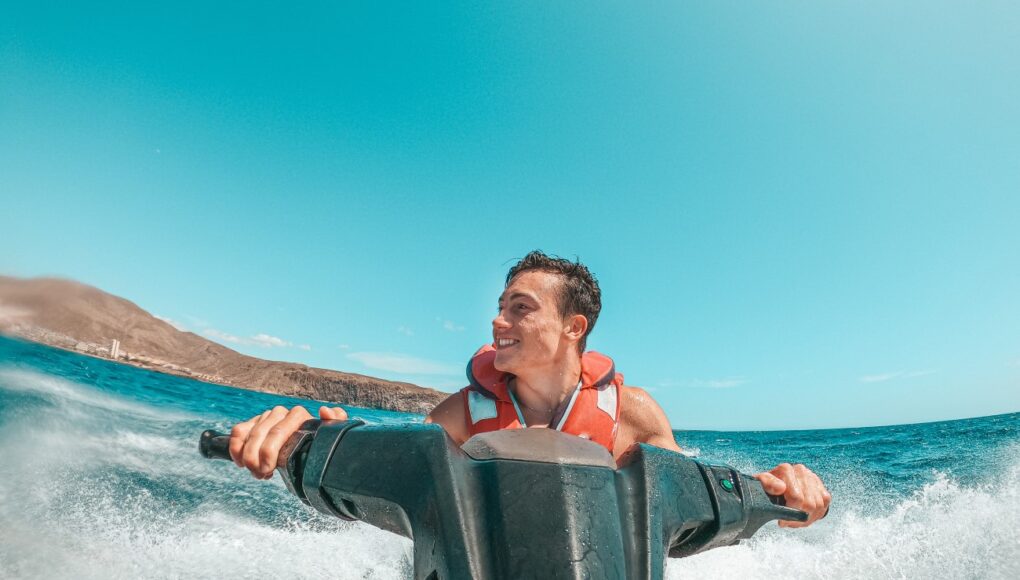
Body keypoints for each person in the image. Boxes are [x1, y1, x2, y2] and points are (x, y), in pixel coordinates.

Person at [228, 251, 831, 528]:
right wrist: (313, 444)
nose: (498, 321)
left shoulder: (634, 415)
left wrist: (778, 500)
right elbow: (388, 484)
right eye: (499, 307)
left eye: (520, 308)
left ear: (574, 328)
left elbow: (684, 512)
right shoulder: (461, 415)